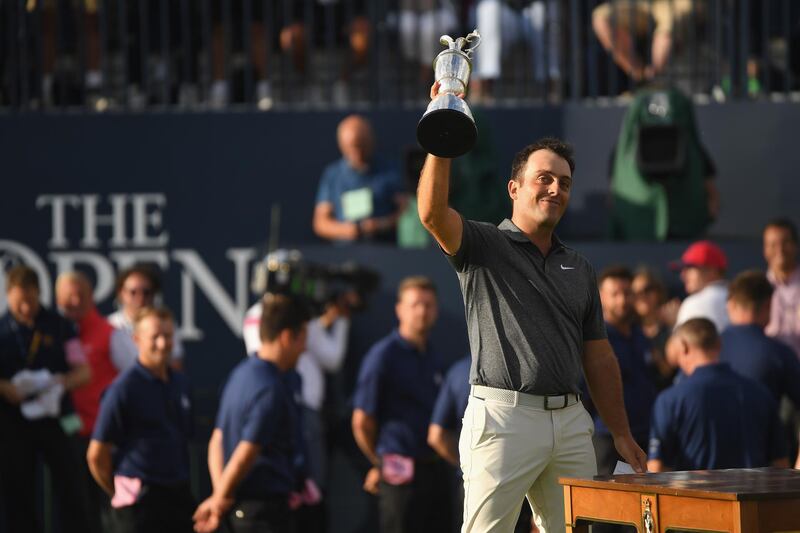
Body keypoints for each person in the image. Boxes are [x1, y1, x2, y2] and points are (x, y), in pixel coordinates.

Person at [417, 107, 646, 533]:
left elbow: (597, 355)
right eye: (544, 178)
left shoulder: (579, 267)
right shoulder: (482, 244)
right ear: (514, 188)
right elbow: (431, 214)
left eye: (565, 183)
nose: (556, 189)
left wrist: (620, 432)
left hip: (572, 419)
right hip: (503, 419)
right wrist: (442, 134)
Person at [193, 293, 311, 533]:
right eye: (303, 339)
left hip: (238, 511)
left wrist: (220, 496)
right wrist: (218, 501)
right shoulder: (271, 389)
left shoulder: (239, 374)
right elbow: (245, 452)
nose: (305, 348)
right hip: (261, 515)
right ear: (287, 337)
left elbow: (217, 439)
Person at [351, 276, 450, 533]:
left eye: (428, 305)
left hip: (434, 472)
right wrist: (380, 463)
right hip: (399, 474)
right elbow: (361, 421)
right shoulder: (382, 356)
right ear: (399, 309)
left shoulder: (434, 357)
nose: (422, 311)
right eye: (415, 304)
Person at [0, 265, 92, 533]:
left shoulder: (60, 326)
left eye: (30, 301)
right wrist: (6, 388)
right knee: (17, 491)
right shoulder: (2, 331)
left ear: (39, 293)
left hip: (60, 417)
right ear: (7, 296)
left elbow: (84, 372)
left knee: (73, 485)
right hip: (14, 421)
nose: (26, 309)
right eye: (19, 304)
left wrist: (62, 383)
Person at [87, 307, 195, 533]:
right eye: (154, 337)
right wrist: (121, 493)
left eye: (167, 336)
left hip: (178, 497)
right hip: (140, 506)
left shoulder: (180, 384)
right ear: (136, 340)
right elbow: (96, 455)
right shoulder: (123, 389)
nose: (163, 343)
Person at [648, 318, 788, 472]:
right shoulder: (761, 393)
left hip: (695, 495)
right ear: (719, 344)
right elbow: (780, 464)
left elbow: (656, 469)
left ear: (684, 347)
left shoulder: (670, 401)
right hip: (752, 494)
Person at [55, 271, 134, 533]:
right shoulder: (57, 335)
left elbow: (135, 378)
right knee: (77, 509)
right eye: (67, 297)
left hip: (105, 440)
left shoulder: (110, 333)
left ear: (91, 297)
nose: (74, 301)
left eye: (79, 295)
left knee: (111, 509)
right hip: (70, 435)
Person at [588, 266, 655, 476]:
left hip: (643, 434)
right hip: (607, 438)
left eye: (627, 293)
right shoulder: (595, 341)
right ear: (601, 296)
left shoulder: (640, 334)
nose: (622, 300)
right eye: (614, 294)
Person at [312, 114, 406, 243]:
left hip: (384, 250)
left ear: (371, 140)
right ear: (342, 145)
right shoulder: (332, 175)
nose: (358, 153)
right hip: (345, 253)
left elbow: (406, 212)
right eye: (352, 147)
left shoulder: (390, 170)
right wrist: (346, 230)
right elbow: (320, 223)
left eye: (362, 145)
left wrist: (381, 224)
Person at [470, 0, 562, 101]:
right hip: (504, 12)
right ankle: (483, 88)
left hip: (532, 9)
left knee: (549, 11)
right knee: (488, 8)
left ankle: (551, 87)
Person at [592, 0, 699, 82]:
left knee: (668, 26)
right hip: (645, 3)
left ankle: (654, 78)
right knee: (601, 18)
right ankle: (640, 77)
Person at [108, 263, 185, 369]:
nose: (140, 298)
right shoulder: (108, 326)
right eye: (133, 292)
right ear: (121, 293)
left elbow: (175, 364)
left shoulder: (165, 322)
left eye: (146, 292)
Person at [631, 267, 677, 391]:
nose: (642, 296)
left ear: (658, 292)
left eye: (648, 289)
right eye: (635, 293)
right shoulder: (627, 331)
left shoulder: (671, 327)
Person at [672, 240, 730, 332]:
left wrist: (673, 323)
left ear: (712, 270)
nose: (683, 275)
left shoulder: (693, 303)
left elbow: (679, 345)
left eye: (690, 268)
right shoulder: (737, 297)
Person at [763, 218, 800, 358]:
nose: (780, 250)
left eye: (786, 243)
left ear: (796, 245)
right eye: (772, 244)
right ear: (765, 249)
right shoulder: (758, 287)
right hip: (772, 368)